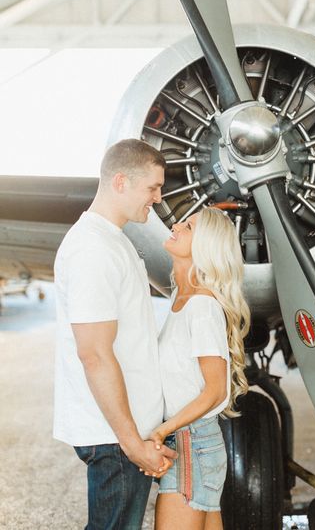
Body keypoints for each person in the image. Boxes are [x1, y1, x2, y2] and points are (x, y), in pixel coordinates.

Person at [53, 138, 177, 530]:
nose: (158, 199)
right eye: (152, 188)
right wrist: (133, 444)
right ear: (121, 181)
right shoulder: (92, 249)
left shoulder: (111, 240)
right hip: (115, 437)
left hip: (125, 432)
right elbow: (94, 354)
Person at [148, 207, 251, 530]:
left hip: (191, 445)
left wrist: (164, 430)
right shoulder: (182, 296)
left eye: (189, 226)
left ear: (205, 246)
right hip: (194, 445)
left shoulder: (202, 306)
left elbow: (215, 390)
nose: (175, 225)